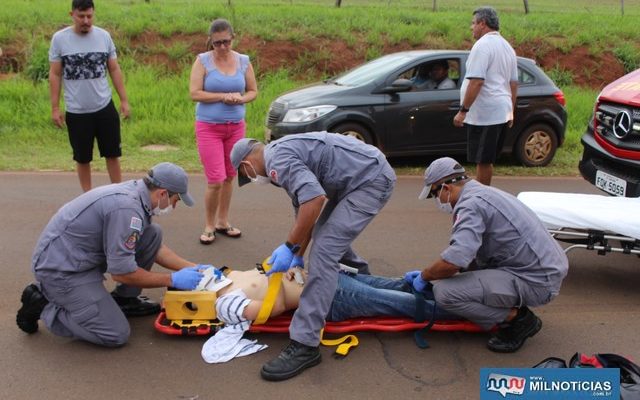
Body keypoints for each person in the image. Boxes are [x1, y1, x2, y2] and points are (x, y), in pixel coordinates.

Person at [230, 132, 396, 381]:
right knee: (324, 235)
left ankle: (305, 344)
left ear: (246, 165)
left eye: (247, 175)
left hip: (369, 181)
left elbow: (314, 200)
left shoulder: (276, 161)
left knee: (325, 251)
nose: (252, 178)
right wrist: (296, 251)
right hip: (362, 176)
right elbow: (304, 213)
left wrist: (289, 246)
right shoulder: (281, 154)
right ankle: (361, 281)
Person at [16, 162, 209, 347]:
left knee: (152, 234)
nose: (174, 206)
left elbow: (154, 247)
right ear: (163, 193)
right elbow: (122, 272)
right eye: (176, 201)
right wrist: (171, 279)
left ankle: (124, 299)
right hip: (62, 272)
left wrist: (193, 268)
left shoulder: (137, 194)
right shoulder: (127, 209)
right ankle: (44, 306)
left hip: (80, 257)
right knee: (115, 333)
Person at [406, 157, 568, 353]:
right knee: (461, 277)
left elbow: (454, 260)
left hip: (537, 281)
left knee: (446, 293)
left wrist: (425, 275)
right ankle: (508, 306)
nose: (437, 201)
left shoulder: (470, 206)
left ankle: (518, 320)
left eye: (434, 195)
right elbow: (469, 254)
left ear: (446, 189)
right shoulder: (482, 192)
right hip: (541, 268)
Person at [49, 0, 131, 192]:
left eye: (89, 16)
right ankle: (88, 198)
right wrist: (55, 107)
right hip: (77, 112)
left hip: (104, 107)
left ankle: (118, 193)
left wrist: (124, 100)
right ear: (72, 15)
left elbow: (114, 69)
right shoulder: (60, 39)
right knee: (83, 158)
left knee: (112, 154)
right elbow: (55, 74)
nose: (86, 20)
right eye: (81, 16)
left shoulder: (104, 36)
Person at [189, 18, 258, 245]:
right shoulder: (203, 61)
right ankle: (208, 225)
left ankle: (223, 221)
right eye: (217, 43)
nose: (222, 47)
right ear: (211, 41)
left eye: (226, 42)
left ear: (232, 39)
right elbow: (195, 93)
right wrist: (222, 96)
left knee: (229, 176)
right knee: (215, 180)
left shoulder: (243, 61)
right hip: (209, 128)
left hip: (236, 127)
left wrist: (240, 98)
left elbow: (252, 91)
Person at [452, 7, 518, 186]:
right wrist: (511, 110)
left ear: (483, 24)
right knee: (485, 160)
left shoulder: (482, 46)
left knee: (483, 160)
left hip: (486, 113)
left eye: (473, 23)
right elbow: (513, 84)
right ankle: (481, 193)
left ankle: (481, 197)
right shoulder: (507, 47)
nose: (471, 27)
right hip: (499, 110)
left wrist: (463, 111)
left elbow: (476, 82)